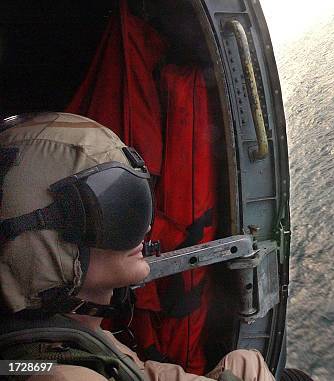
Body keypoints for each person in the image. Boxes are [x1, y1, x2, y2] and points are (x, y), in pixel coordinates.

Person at [0, 112, 276, 381]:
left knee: (244, 364)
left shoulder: (68, 338)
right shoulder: (62, 374)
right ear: (38, 244)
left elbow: (138, 371)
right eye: (113, 212)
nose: (144, 229)